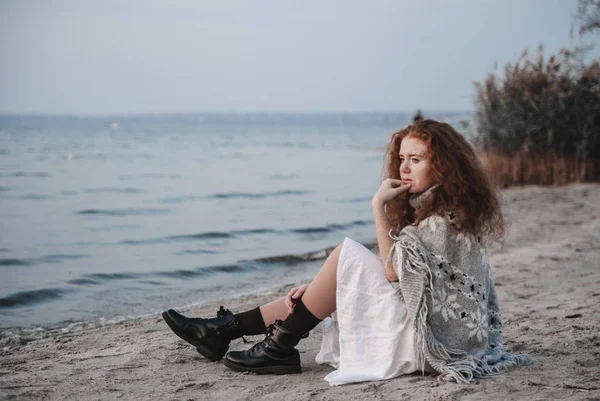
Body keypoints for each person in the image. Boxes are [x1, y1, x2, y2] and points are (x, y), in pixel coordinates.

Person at [162, 119, 531, 385]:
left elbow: (392, 274)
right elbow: (406, 278)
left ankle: (277, 345)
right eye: (402, 158)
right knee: (334, 275)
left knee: (346, 255)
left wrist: (378, 207)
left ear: (444, 166)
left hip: (429, 342)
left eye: (416, 160)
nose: (403, 167)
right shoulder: (447, 210)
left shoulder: (443, 221)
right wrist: (324, 288)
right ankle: (222, 331)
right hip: (438, 332)